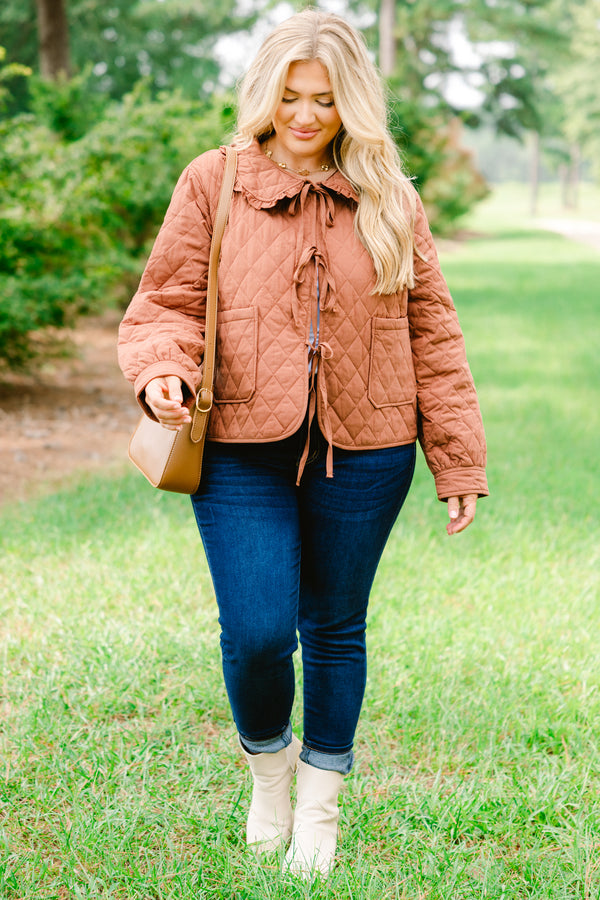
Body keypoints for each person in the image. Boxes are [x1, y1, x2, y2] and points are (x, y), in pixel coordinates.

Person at [118, 8, 488, 878]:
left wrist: (458, 455)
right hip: (241, 440)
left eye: (324, 99)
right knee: (253, 632)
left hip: (369, 446)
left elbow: (434, 332)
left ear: (350, 101)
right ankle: (268, 769)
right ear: (265, 96)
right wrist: (163, 371)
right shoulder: (214, 182)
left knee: (332, 625)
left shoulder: (391, 195)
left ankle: (319, 804)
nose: (306, 115)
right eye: (290, 96)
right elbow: (164, 303)